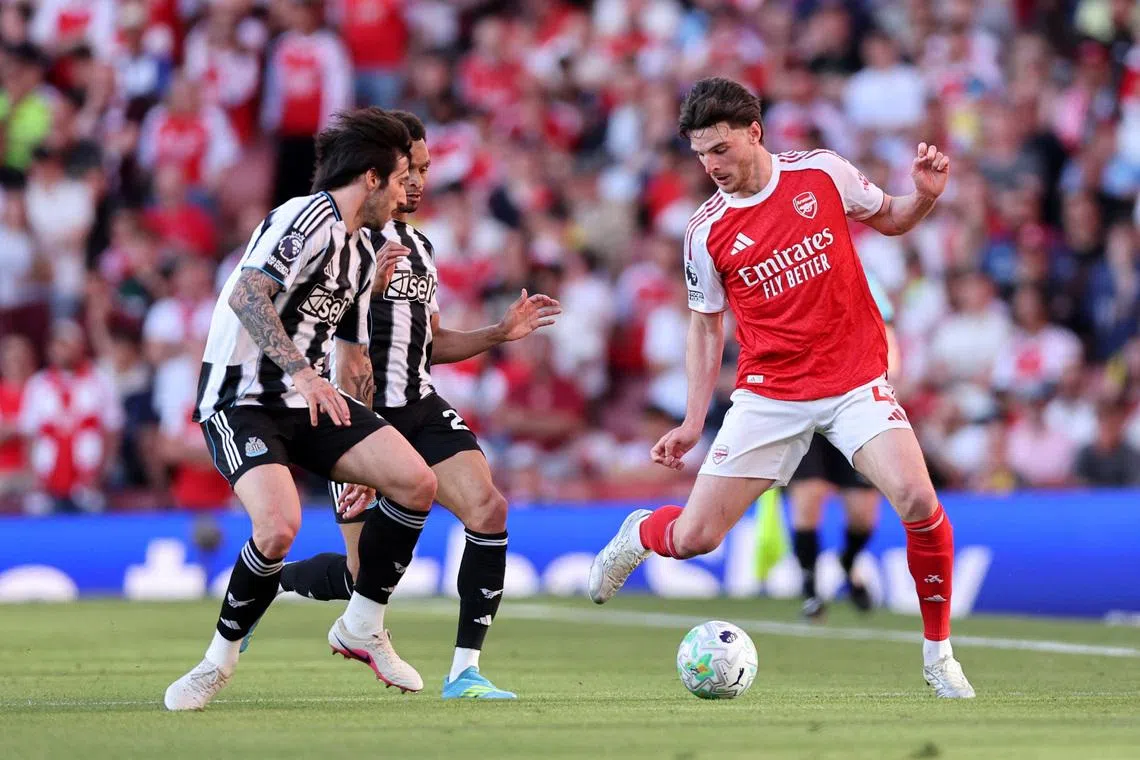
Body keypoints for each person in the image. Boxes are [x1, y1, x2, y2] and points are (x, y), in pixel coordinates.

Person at [588, 77, 975, 699]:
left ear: (754, 133)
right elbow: (705, 328)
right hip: (770, 394)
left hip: (854, 382)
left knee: (917, 502)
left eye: (720, 148)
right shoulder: (705, 231)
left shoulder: (822, 174)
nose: (712, 164)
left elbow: (892, 217)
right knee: (695, 538)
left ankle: (938, 658)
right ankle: (640, 533)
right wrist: (692, 421)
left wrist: (924, 198)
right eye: (700, 153)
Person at [251, 111, 561, 699]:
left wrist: (498, 332)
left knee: (489, 510)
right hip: (356, 418)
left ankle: (465, 672)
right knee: (360, 575)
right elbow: (335, 347)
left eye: (423, 169)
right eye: (408, 169)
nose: (416, 181)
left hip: (417, 404)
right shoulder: (338, 238)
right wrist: (355, 444)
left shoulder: (420, 246)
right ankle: (275, 584)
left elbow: (430, 341)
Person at [164, 107, 438, 711]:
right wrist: (300, 373)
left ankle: (362, 624)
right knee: (279, 526)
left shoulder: (368, 249)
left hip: (310, 396)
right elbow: (245, 293)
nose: (406, 194)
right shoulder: (304, 217)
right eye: (399, 180)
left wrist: (363, 459)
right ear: (370, 177)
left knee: (416, 482)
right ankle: (218, 662)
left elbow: (351, 359)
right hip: (242, 400)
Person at [789, 272, 899, 620]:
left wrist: (885, 379)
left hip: (852, 405)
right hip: (804, 406)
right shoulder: (795, 274)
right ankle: (810, 585)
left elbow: (887, 332)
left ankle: (847, 562)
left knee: (863, 513)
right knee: (809, 495)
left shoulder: (860, 276)